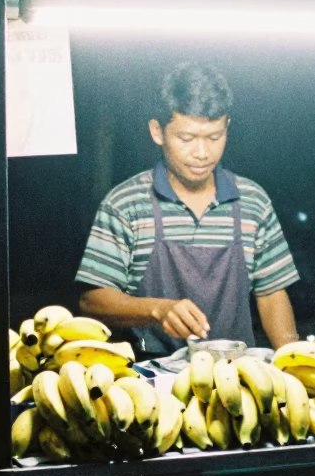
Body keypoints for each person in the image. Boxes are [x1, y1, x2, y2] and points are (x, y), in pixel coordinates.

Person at [75, 61, 300, 356]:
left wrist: (295, 361)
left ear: (227, 127)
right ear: (158, 132)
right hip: (148, 378)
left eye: (214, 137)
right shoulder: (126, 204)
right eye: (187, 138)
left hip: (237, 374)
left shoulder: (253, 202)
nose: (203, 153)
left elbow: (271, 294)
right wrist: (157, 309)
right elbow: (92, 300)